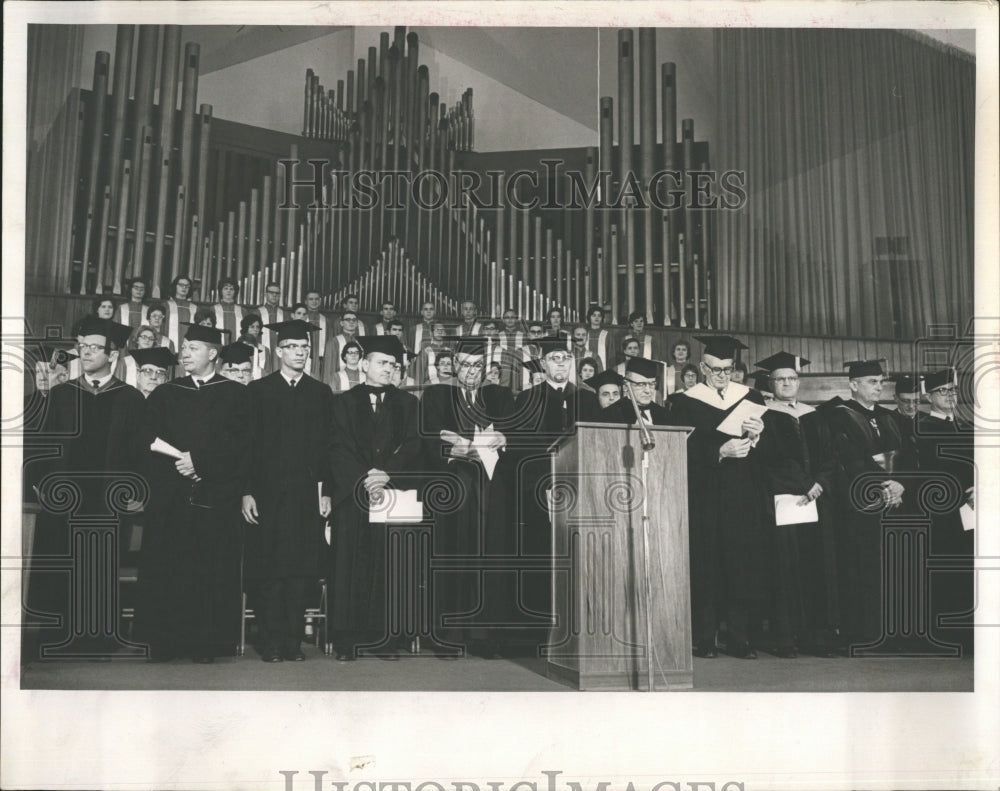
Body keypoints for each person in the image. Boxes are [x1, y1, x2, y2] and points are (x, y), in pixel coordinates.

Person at [134, 323, 251, 663]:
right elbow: (146, 437)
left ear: (213, 353)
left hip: (214, 496)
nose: (184, 353)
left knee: (208, 570)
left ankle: (205, 644)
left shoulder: (236, 394)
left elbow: (242, 445)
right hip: (171, 496)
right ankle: (163, 642)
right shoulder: (167, 393)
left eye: (193, 348)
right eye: (184, 348)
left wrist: (200, 464)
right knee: (168, 566)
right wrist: (179, 465)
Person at [25, 318, 141, 659]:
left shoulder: (131, 399)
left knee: (101, 566)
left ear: (113, 354)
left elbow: (138, 452)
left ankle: (98, 640)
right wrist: (40, 486)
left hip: (108, 499)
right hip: (63, 499)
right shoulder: (61, 395)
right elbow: (40, 447)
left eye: (94, 347)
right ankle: (58, 636)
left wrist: (133, 492)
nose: (86, 352)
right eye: (83, 346)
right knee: (62, 564)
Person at [668, 335, 771, 659]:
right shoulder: (685, 402)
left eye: (727, 369)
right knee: (707, 562)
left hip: (741, 491)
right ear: (702, 367)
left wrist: (757, 436)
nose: (722, 375)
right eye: (715, 369)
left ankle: (739, 637)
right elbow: (679, 447)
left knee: (741, 561)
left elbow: (770, 451)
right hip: (706, 491)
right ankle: (706, 637)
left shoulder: (750, 397)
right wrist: (719, 451)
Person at [419, 337, 520, 658]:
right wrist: (460, 449)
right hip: (453, 487)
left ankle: (486, 637)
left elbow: (515, 432)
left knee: (491, 559)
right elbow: (427, 437)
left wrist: (502, 436)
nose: (471, 372)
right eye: (465, 365)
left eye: (477, 366)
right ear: (453, 365)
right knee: (453, 557)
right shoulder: (437, 395)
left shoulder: (500, 396)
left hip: (492, 489)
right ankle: (448, 635)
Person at [327, 335, 423, 661]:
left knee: (390, 565)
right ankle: (347, 640)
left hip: (394, 493)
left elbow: (414, 445)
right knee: (349, 564)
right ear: (364, 364)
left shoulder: (409, 403)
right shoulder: (343, 402)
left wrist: (387, 474)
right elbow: (336, 446)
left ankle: (386, 639)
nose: (388, 369)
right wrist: (364, 478)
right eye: (382, 363)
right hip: (353, 493)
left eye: (393, 365)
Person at [243, 320, 334, 662]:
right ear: (279, 351)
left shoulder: (320, 393)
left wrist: (326, 491)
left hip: (305, 494)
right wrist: (247, 491)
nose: (299, 353)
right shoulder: (259, 390)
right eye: (292, 347)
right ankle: (270, 641)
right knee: (270, 569)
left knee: (300, 570)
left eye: (304, 348)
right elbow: (248, 446)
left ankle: (293, 642)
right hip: (266, 493)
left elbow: (328, 447)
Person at [510, 337, 601, 652]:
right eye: (554, 358)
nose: (560, 363)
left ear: (572, 362)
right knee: (541, 558)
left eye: (565, 358)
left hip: (580, 489)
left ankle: (579, 633)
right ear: (544, 364)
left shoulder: (587, 399)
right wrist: (545, 482)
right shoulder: (528, 398)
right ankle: (540, 634)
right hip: (539, 490)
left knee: (578, 559)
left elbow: (596, 444)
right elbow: (519, 447)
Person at [754, 352, 839, 658]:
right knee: (785, 568)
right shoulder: (763, 416)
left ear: (798, 382)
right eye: (780, 379)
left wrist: (820, 484)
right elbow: (769, 460)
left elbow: (830, 455)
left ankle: (816, 636)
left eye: (792, 378)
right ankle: (785, 637)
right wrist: (804, 484)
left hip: (816, 501)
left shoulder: (814, 415)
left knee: (817, 566)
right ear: (770, 383)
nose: (787, 383)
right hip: (784, 499)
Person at [825, 359, 907, 651]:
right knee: (860, 567)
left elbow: (908, 456)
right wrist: (883, 485)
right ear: (853, 384)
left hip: (895, 503)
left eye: (881, 381)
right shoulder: (838, 416)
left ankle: (894, 633)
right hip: (860, 504)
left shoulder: (890, 417)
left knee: (893, 567)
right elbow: (848, 459)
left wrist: (901, 484)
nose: (879, 387)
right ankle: (862, 633)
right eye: (872, 381)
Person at [915, 368, 974, 654]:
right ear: (929, 396)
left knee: (971, 571)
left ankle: (970, 633)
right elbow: (930, 472)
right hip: (944, 512)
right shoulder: (923, 428)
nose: (950, 395)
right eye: (942, 391)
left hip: (973, 508)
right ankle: (948, 636)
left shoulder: (965, 425)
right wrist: (964, 492)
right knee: (948, 572)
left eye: (953, 390)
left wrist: (980, 487)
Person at [602, 357, 671, 425]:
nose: (648, 391)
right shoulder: (609, 415)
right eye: (640, 384)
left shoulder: (665, 414)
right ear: (626, 386)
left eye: (652, 384)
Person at [889, 374, 921, 473]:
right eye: (906, 401)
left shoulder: (928, 420)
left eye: (916, 401)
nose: (911, 406)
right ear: (895, 398)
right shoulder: (887, 422)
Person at [255, 281, 286, 372]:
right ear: (266, 294)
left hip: (279, 354)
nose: (274, 295)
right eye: (271, 292)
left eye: (277, 293)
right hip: (262, 352)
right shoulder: (257, 313)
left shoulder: (284, 314)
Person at [303, 290, 330, 378]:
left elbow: (329, 341)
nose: (314, 301)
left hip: (321, 359)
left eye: (316, 299)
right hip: (305, 358)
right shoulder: (302, 319)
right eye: (311, 299)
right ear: (306, 301)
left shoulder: (325, 321)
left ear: (320, 301)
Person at [165, 275, 195, 350]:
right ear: (175, 286)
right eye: (181, 285)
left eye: (187, 286)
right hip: (169, 346)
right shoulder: (166, 305)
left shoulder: (195, 308)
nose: (184, 288)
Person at [236, 313, 268, 380]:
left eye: (258, 327)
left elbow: (268, 373)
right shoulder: (236, 347)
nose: (255, 329)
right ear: (246, 328)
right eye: (252, 327)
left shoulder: (265, 350)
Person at [213, 277, 245, 342]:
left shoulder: (243, 311)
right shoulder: (213, 309)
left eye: (231, 289)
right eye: (226, 288)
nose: (228, 291)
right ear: (221, 291)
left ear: (235, 292)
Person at [583, 304, 612, 372]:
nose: (597, 318)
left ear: (602, 318)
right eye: (594, 315)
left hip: (603, 370)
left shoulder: (607, 334)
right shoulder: (584, 333)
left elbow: (611, 356)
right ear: (589, 317)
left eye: (599, 316)